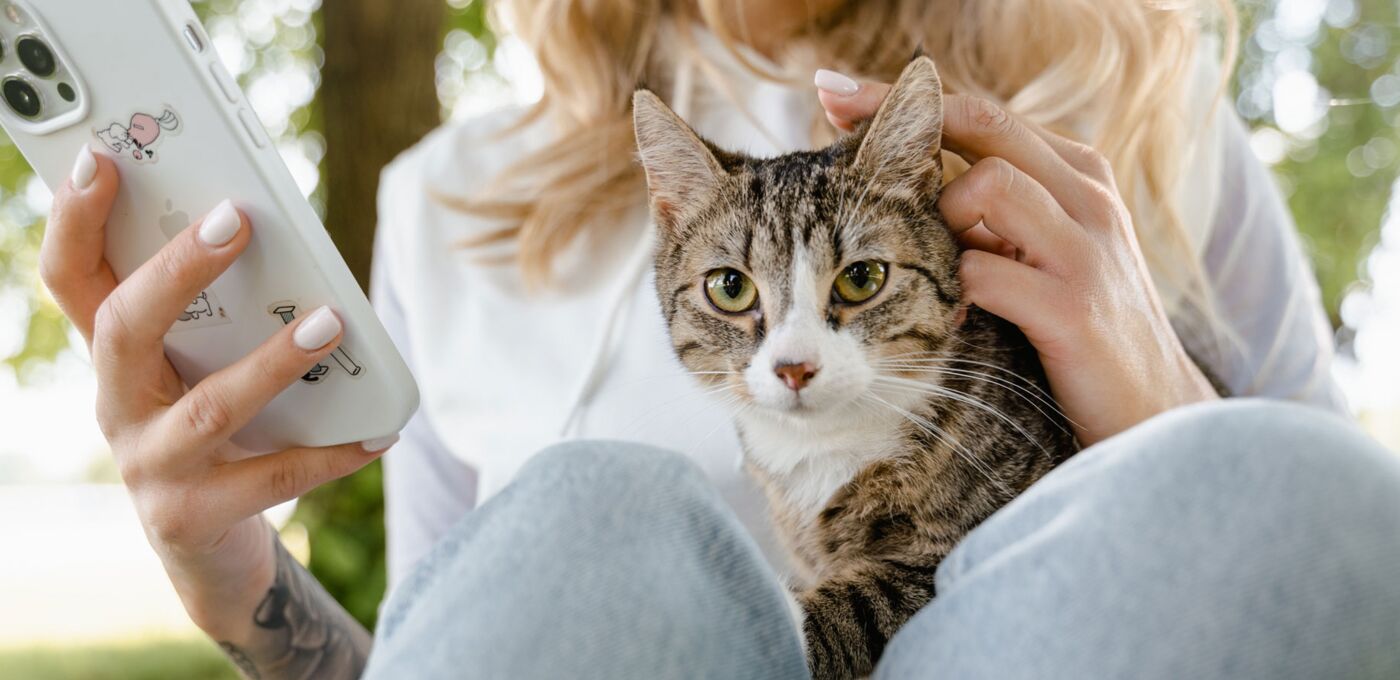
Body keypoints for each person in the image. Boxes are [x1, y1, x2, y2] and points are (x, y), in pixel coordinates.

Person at [39, 1, 1400, 678]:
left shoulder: (1137, 109)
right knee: (595, 514)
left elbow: (1333, 578)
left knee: (1281, 484)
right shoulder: (445, 204)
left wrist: (1160, 404)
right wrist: (233, 586)